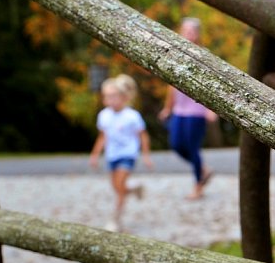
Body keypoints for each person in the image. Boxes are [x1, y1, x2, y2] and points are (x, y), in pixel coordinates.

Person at [159, 17, 218, 200]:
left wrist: (212, 109)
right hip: (179, 110)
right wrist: (167, 107)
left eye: (192, 31)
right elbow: (171, 85)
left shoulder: (204, 55)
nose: (189, 34)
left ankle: (197, 187)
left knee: (193, 148)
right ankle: (203, 170)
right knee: (176, 144)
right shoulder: (175, 54)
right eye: (186, 30)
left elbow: (212, 84)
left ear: (198, 34)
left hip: (197, 110)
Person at [89, 74, 153, 231]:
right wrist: (95, 155)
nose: (109, 100)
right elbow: (102, 137)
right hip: (112, 156)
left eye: (113, 96)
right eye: (106, 96)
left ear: (124, 97)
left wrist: (145, 155)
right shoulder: (104, 116)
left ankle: (115, 219)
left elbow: (143, 136)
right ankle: (134, 188)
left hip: (128, 155)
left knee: (119, 187)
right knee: (118, 187)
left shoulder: (132, 116)